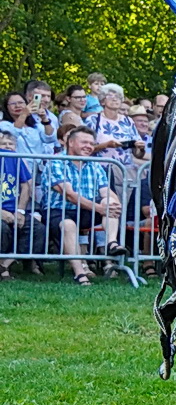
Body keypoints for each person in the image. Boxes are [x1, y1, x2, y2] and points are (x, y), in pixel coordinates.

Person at [40, 127, 122, 284]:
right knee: (68, 225)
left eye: (92, 143)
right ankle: (80, 273)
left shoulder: (95, 164)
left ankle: (112, 243)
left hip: (86, 210)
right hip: (59, 210)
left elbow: (107, 191)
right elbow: (69, 195)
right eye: (84, 142)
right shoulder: (56, 162)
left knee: (109, 201)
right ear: (70, 143)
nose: (89, 146)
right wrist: (99, 208)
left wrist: (115, 204)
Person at [0, 128, 47, 275]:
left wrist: (20, 211)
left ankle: (4, 264)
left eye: (10, 144)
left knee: (37, 229)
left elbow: (26, 185)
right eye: (3, 144)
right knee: (2, 229)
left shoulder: (16, 158)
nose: (7, 147)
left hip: (14, 210)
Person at [5, 91, 56, 157]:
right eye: (13, 104)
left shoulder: (35, 125)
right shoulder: (4, 125)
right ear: (6, 107)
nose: (17, 106)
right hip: (18, 165)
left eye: (20, 103)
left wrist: (44, 118)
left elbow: (50, 138)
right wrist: (24, 113)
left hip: (36, 165)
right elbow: (13, 134)